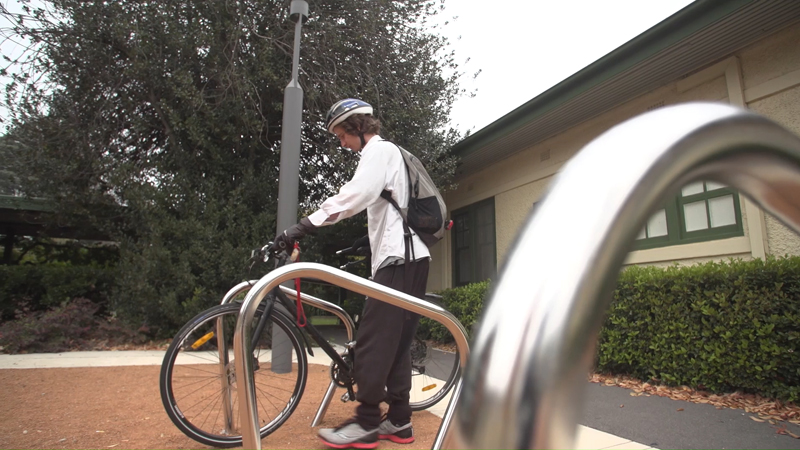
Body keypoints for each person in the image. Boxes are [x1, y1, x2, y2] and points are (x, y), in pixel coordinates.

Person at [271, 98, 430, 449]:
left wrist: (302, 226)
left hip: (399, 260)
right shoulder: (390, 155)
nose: (341, 142)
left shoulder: (379, 151)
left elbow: (355, 195)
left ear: (359, 127)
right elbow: (390, 205)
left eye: (342, 134)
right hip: (411, 258)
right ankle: (400, 420)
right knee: (396, 343)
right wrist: (367, 241)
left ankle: (367, 423)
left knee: (373, 339)